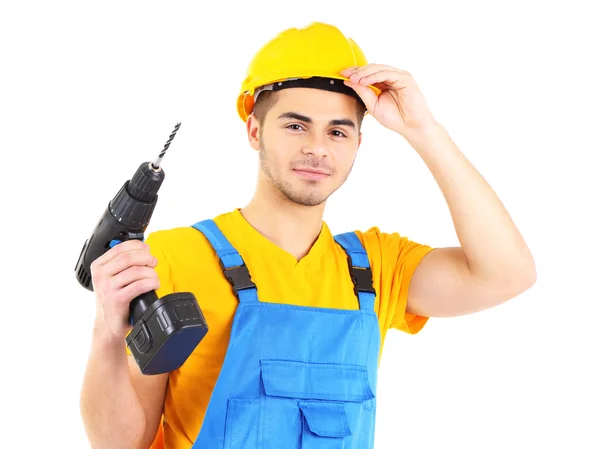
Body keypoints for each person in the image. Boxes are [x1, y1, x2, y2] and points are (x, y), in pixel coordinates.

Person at [79, 22, 536, 449]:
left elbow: (507, 273)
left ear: (358, 143)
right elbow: (122, 443)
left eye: (338, 131)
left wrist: (424, 131)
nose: (317, 148)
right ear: (255, 131)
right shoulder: (171, 256)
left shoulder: (375, 269)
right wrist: (106, 334)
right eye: (295, 125)